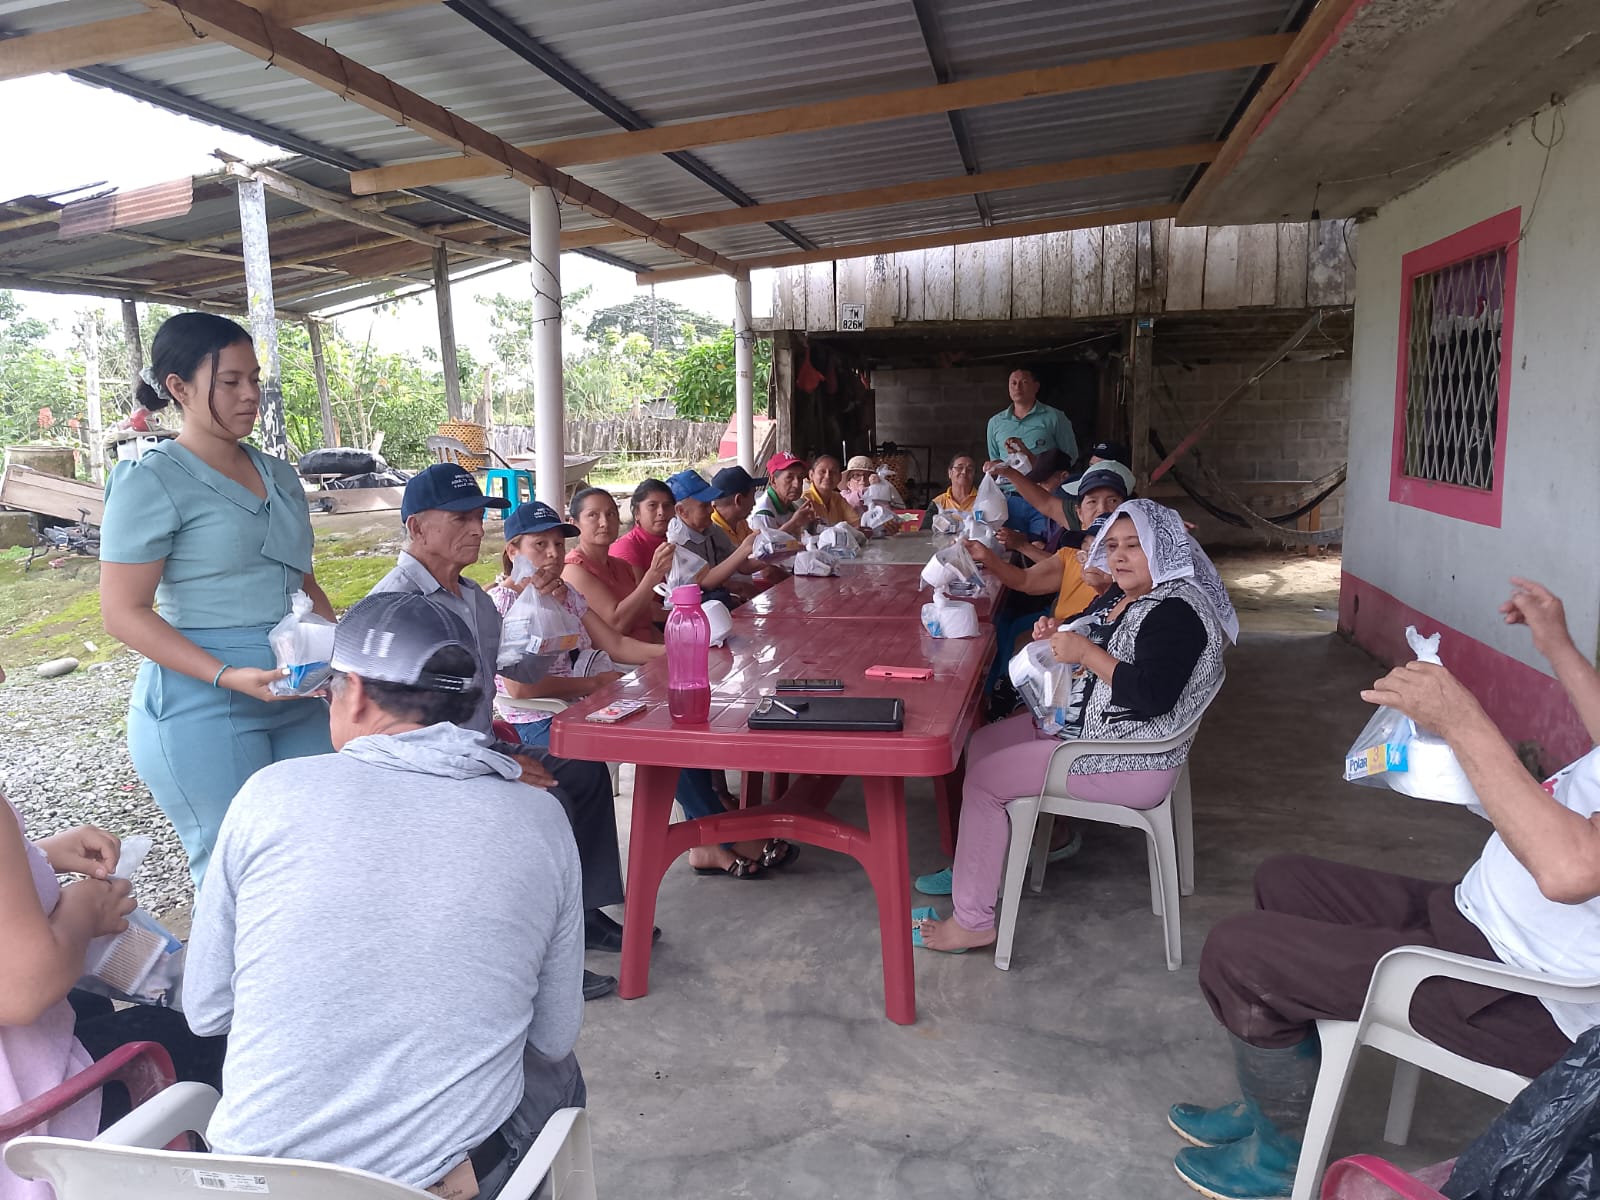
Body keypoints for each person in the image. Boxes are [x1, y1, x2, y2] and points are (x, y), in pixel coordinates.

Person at [1169, 576, 1600, 1200]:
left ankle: (1279, 1160)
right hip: (1475, 917)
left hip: (1528, 994)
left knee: (1238, 953)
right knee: (1284, 879)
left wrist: (1462, 720)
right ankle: (1275, 1103)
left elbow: (1569, 872)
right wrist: (1557, 643)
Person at [184, 593, 586, 1199]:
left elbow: (207, 1009)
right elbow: (553, 1037)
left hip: (253, 1185)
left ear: (355, 694)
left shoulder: (267, 795)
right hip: (432, 1184)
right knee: (557, 1075)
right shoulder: (540, 818)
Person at [915, 500, 1233, 954]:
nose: (1119, 556)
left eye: (1134, 546)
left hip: (1126, 758)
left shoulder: (1176, 611)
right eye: (1113, 546)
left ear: (1164, 549)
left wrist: (1084, 653)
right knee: (982, 743)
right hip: (1088, 728)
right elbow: (1098, 635)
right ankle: (986, 869)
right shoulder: (1130, 593)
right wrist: (1060, 637)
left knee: (984, 781)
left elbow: (1152, 695)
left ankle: (972, 922)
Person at [369, 464, 632, 1000]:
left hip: (479, 744)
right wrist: (498, 762)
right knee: (542, 802)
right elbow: (393, 723)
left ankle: (583, 915)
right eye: (460, 518)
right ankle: (534, 954)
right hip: (423, 765)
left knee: (581, 774)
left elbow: (514, 673)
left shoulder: (475, 599)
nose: (475, 529)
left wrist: (543, 619)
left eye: (478, 517)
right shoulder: (395, 606)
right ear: (416, 527)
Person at [99, 312, 333, 887]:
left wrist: (339, 660)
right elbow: (122, 613)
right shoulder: (151, 480)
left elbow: (304, 584)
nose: (250, 394)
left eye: (254, 379)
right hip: (202, 704)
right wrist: (227, 675)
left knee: (317, 855)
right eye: (230, 382)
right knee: (235, 872)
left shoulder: (279, 475)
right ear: (178, 388)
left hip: (299, 690)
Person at [0, 799, 226, 1200]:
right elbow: (23, 992)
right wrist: (82, 912)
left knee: (87, 1003)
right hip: (20, 1130)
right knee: (198, 1035)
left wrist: (34, 857)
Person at [488, 501, 665, 751]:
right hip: (538, 720)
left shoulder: (565, 593)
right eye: (540, 544)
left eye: (559, 544)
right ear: (513, 551)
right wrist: (595, 684)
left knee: (663, 722)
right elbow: (521, 688)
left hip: (580, 706)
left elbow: (616, 644)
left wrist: (675, 652)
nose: (554, 553)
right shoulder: (505, 603)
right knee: (643, 744)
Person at [562, 486, 670, 645]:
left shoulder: (622, 566)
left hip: (648, 650)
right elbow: (617, 625)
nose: (604, 523)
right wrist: (654, 574)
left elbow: (644, 621)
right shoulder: (573, 570)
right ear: (574, 524)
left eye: (611, 514)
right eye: (593, 515)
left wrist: (672, 644)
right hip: (618, 658)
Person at [983, 367, 1079, 537]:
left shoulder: (1054, 417)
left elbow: (1070, 456)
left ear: (1036, 387)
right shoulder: (995, 422)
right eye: (1013, 383)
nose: (1017, 387)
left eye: (1024, 382)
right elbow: (995, 458)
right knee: (1006, 544)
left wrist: (1036, 463)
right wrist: (993, 466)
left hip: (1043, 497)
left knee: (1043, 544)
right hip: (1008, 498)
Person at [664, 470, 761, 597]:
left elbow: (744, 567)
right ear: (681, 511)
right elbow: (705, 582)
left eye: (710, 503)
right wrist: (745, 548)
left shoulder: (712, 529)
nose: (711, 509)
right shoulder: (676, 541)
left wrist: (774, 553)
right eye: (704, 506)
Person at [609, 478, 675, 577]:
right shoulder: (626, 547)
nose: (661, 512)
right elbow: (635, 587)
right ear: (637, 513)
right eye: (652, 505)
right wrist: (655, 572)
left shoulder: (678, 539)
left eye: (667, 505)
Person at [750, 453, 818, 535]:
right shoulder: (763, 513)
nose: (797, 484)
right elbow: (766, 542)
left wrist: (811, 524)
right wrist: (794, 523)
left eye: (800, 477)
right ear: (773, 480)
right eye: (789, 477)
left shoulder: (791, 507)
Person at [919, 453, 979, 530]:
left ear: (974, 475)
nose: (964, 472)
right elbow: (925, 532)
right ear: (950, 473)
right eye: (959, 468)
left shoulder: (983, 501)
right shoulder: (938, 502)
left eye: (970, 469)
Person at [803, 455, 860, 527]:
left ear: (840, 477)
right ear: (811, 475)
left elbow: (856, 524)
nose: (828, 476)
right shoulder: (805, 500)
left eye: (833, 472)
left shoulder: (838, 498)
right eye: (822, 471)